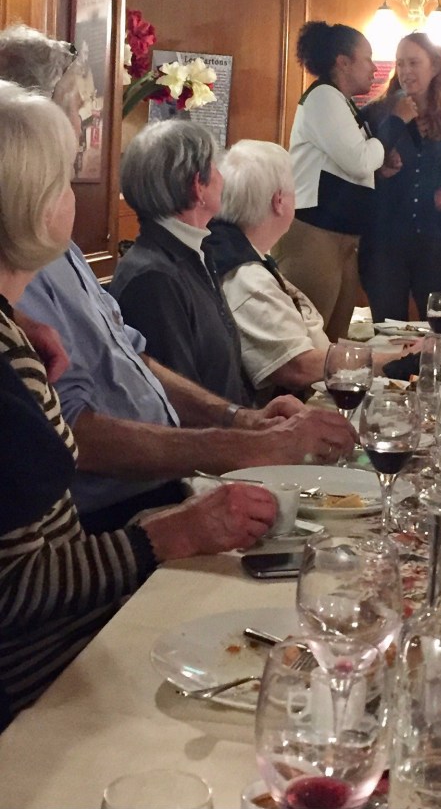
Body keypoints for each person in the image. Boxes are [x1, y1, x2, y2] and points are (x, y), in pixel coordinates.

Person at [4, 26, 355, 534]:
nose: (85, 127)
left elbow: (133, 357)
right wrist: (242, 447)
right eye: (78, 110)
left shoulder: (65, 248)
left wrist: (240, 420)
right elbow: (72, 431)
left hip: (164, 485)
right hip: (115, 513)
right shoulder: (32, 261)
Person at [0, 81, 277, 722]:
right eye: (64, 180)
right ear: (34, 207)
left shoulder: (18, 335)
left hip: (78, 637)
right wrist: (168, 534)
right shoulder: (11, 362)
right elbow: (14, 591)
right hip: (46, 694)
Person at [110, 119, 252, 405]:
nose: (222, 178)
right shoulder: (153, 279)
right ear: (198, 186)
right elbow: (180, 404)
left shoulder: (193, 253)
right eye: (215, 167)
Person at [273, 21, 391, 341]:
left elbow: (356, 162)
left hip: (342, 236)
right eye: (367, 58)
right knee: (308, 336)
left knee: (335, 336)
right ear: (343, 62)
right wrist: (392, 130)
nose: (374, 67)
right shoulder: (323, 97)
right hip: (315, 233)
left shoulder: (342, 101)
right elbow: (359, 160)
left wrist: (379, 162)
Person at [361, 32, 441, 319]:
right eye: (400, 63)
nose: (405, 71)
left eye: (414, 63)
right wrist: (380, 169)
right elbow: (354, 167)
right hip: (384, 245)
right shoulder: (376, 114)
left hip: (438, 244)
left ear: (436, 66)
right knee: (386, 329)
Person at [208, 140, 330, 400]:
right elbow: (296, 366)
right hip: (262, 415)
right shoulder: (244, 274)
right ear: (279, 201)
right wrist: (389, 361)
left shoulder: (244, 250)